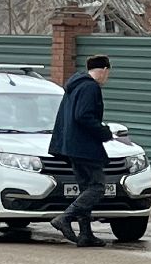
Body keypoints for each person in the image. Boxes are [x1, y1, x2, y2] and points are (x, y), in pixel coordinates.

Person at [48, 55, 115, 248]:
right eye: (108, 73)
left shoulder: (75, 85)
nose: (107, 77)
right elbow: (83, 116)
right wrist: (103, 132)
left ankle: (86, 234)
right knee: (97, 187)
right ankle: (65, 218)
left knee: (86, 189)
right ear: (103, 70)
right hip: (85, 147)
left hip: (72, 146)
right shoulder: (90, 87)